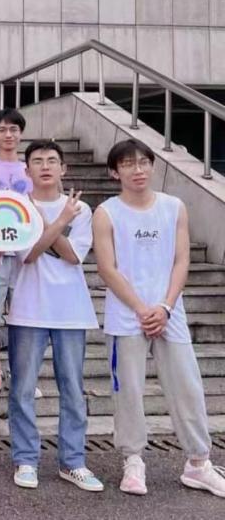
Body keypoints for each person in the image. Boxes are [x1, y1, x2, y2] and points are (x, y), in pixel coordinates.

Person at [93, 139, 225, 499]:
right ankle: (133, 460)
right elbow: (107, 268)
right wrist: (140, 308)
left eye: (143, 162)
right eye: (127, 164)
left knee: (187, 386)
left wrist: (165, 307)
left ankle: (198, 462)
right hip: (126, 316)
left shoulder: (173, 207)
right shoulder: (106, 212)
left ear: (152, 165)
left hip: (170, 312)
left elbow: (181, 260)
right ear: (114, 172)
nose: (137, 170)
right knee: (128, 390)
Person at [6, 140, 104, 492]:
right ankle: (25, 459)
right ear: (27, 170)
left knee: (73, 388)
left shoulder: (81, 208)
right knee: (22, 388)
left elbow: (74, 256)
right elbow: (28, 254)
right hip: (27, 309)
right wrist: (60, 222)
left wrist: (51, 221)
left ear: (63, 168)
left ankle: (73, 461)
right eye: (37, 161)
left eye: (51, 160)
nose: (45, 166)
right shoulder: (16, 208)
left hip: (71, 311)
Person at [0, 108, 33, 398]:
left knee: (25, 316)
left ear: (21, 134)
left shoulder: (31, 168)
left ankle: (24, 377)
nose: (8, 135)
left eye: (13, 129)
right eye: (2, 130)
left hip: (26, 250)